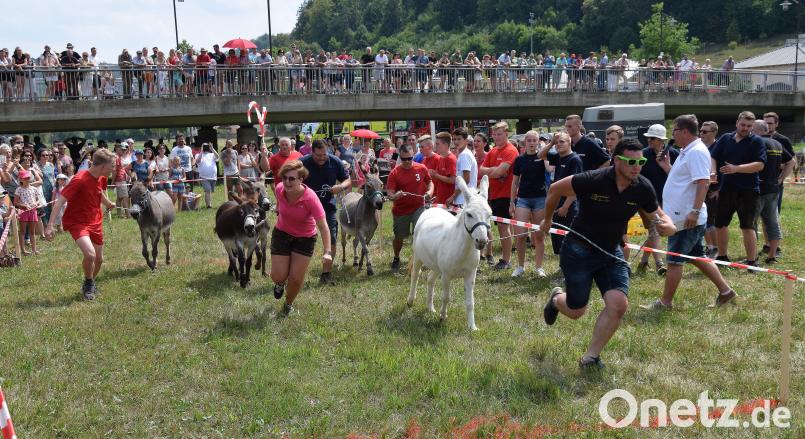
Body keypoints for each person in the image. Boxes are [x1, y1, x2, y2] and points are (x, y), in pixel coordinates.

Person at [540, 139, 676, 369]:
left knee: (618, 304)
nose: (637, 166)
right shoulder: (595, 179)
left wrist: (669, 226)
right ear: (616, 160)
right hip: (578, 250)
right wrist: (547, 219)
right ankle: (556, 299)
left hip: (611, 252)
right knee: (576, 311)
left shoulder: (642, 187)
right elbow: (555, 189)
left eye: (641, 161)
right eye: (631, 161)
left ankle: (590, 358)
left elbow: (661, 216)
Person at [642, 115, 737, 310]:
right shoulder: (687, 150)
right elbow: (683, 180)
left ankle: (665, 302)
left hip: (686, 217)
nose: (672, 135)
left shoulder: (696, 152)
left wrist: (694, 211)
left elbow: (703, 182)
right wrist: (666, 166)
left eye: (675, 130)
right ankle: (726, 292)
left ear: (684, 131)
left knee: (674, 261)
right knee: (698, 257)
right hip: (683, 215)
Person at [45, 148, 116, 300]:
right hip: (78, 222)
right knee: (90, 254)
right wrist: (50, 226)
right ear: (103, 166)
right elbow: (59, 203)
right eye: (112, 166)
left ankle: (88, 282)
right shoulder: (79, 179)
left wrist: (108, 203)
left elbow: (98, 192)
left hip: (95, 221)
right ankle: (90, 284)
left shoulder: (101, 177)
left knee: (99, 259)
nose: (113, 169)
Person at [270, 160, 332, 316]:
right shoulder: (279, 189)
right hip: (282, 234)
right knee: (278, 275)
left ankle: (288, 304)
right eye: (284, 178)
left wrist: (327, 252)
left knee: (296, 279)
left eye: (292, 179)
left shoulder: (310, 198)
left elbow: (324, 226)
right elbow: (280, 202)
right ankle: (279, 283)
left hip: (305, 238)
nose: (287, 182)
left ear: (301, 180)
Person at [710, 111, 767, 268]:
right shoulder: (725, 138)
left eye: (749, 126)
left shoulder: (757, 141)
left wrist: (736, 168)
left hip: (748, 190)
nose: (745, 128)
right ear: (737, 123)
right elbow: (713, 156)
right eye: (743, 125)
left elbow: (760, 165)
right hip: (726, 189)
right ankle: (722, 257)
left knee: (747, 226)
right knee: (720, 224)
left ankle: (751, 261)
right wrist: (713, 171)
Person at [302, 139, 351, 284]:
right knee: (300, 240)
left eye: (324, 155)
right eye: (318, 156)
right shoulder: (303, 163)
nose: (322, 158)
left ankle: (326, 273)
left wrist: (340, 186)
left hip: (327, 207)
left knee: (332, 240)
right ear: (312, 153)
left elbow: (348, 180)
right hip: (305, 207)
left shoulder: (335, 162)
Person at [637, 123, 678, 275]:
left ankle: (643, 261)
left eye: (653, 138)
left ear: (662, 140)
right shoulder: (642, 155)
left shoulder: (673, 154)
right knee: (654, 229)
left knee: (654, 231)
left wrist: (666, 166)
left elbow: (678, 177)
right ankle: (660, 264)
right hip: (647, 200)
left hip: (667, 199)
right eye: (648, 137)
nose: (649, 140)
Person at [386, 142, 433, 271]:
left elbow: (430, 182)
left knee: (419, 234)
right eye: (404, 159)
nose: (407, 161)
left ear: (413, 155)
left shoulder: (421, 168)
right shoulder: (395, 173)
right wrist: (396, 195)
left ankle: (420, 259)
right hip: (401, 210)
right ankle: (396, 257)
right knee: (399, 237)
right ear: (400, 157)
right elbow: (389, 194)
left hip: (419, 207)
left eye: (410, 158)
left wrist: (429, 192)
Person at [479, 121, 519, 270]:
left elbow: (500, 172)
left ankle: (506, 260)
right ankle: (504, 258)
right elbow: (481, 170)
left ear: (507, 134)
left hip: (507, 194)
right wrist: (494, 171)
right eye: (494, 134)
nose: (496, 137)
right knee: (501, 227)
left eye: (499, 134)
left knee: (504, 227)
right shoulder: (493, 151)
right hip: (494, 194)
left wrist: (493, 171)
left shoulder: (511, 150)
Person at [509, 130, 548, 278]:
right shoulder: (520, 159)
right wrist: (512, 202)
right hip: (523, 199)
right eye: (529, 140)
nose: (532, 143)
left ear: (538, 142)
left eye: (534, 140)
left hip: (540, 199)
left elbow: (551, 169)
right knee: (520, 235)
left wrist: (546, 156)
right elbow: (514, 182)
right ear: (525, 142)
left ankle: (539, 267)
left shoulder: (543, 157)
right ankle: (520, 266)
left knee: (539, 236)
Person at [753, 120, 792, 265]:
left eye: (752, 128)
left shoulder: (757, 143)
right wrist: (781, 178)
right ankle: (772, 255)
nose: (750, 131)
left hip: (758, 189)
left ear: (757, 130)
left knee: (751, 224)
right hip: (773, 188)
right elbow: (791, 162)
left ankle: (753, 256)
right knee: (772, 222)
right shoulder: (777, 144)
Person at [539, 131, 583, 255]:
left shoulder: (575, 160)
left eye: (562, 142)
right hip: (557, 204)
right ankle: (562, 266)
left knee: (569, 239)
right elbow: (540, 155)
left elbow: (576, 186)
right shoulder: (558, 156)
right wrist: (551, 143)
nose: (558, 144)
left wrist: (565, 206)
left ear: (569, 143)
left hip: (568, 206)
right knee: (557, 239)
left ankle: (570, 268)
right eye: (557, 143)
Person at [699, 121, 720, 257]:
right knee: (704, 219)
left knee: (711, 220)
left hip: (714, 190)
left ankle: (715, 248)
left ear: (713, 133)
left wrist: (720, 190)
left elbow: (723, 171)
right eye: (700, 131)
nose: (701, 134)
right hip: (703, 188)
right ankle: (710, 246)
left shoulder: (719, 147)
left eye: (705, 132)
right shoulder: (700, 147)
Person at [446, 127, 478, 208]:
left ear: (466, 140)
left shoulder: (464, 155)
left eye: (459, 139)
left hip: (464, 200)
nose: (456, 142)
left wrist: (453, 196)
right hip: (466, 199)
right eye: (454, 139)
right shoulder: (464, 154)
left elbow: (466, 180)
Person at [14, 169, 40, 255]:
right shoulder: (18, 190)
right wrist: (23, 206)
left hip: (33, 211)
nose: (27, 179)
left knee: (32, 232)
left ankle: (34, 250)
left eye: (28, 177)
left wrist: (36, 203)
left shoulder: (34, 189)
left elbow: (38, 200)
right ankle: (23, 250)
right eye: (25, 178)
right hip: (23, 212)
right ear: (20, 179)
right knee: (22, 231)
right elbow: (15, 202)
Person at [429, 132, 456, 206]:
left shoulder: (451, 159)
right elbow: (438, 176)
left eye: (437, 144)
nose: (435, 146)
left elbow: (452, 180)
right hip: (440, 199)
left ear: (446, 145)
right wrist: (431, 173)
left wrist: (436, 175)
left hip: (448, 201)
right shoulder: (441, 157)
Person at [195, 143, 219, 208]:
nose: (205, 147)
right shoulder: (198, 154)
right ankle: (209, 205)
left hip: (213, 177)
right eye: (204, 146)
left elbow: (218, 157)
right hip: (204, 177)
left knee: (209, 191)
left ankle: (208, 203)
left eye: (206, 146)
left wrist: (212, 149)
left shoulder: (212, 154)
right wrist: (201, 151)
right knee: (208, 190)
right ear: (201, 147)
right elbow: (197, 161)